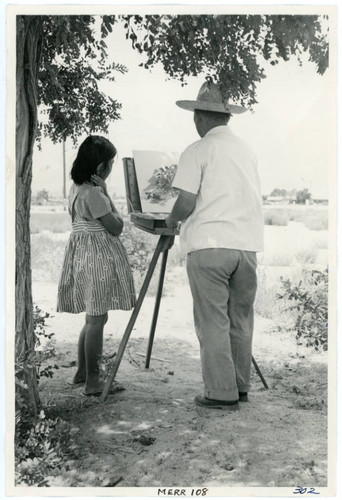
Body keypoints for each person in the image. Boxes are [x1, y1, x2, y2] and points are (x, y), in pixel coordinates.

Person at [165, 82, 264, 410]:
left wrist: (171, 220)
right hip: (246, 247)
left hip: (209, 245)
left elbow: (187, 200)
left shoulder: (197, 150)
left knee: (213, 320)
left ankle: (221, 394)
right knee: (240, 318)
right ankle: (240, 387)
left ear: (199, 118)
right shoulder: (247, 150)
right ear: (226, 117)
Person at [57, 135, 136, 396]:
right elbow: (117, 227)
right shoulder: (94, 193)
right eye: (111, 163)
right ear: (102, 167)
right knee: (97, 319)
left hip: (82, 255)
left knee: (92, 317)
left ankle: (82, 372)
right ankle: (93, 381)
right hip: (97, 258)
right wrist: (107, 194)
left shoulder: (76, 188)